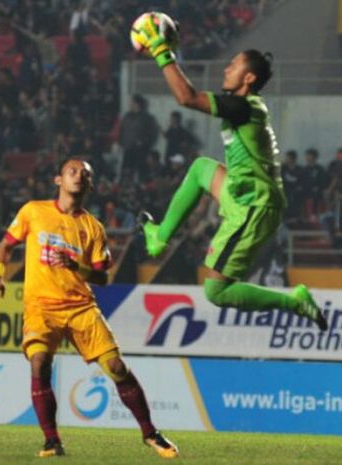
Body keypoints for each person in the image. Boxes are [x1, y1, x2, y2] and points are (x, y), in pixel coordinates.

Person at [135, 17, 327, 330]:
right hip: (243, 191)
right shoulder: (241, 106)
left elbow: (187, 97)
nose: (226, 68)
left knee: (216, 290)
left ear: (248, 77)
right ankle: (159, 237)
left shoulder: (245, 107)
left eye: (234, 65)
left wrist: (162, 53)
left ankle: (294, 301)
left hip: (255, 206)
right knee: (200, 169)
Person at [0, 159, 178, 459]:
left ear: (89, 185)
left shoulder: (93, 228)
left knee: (116, 367)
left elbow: (102, 277)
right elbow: (6, 245)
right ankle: (52, 441)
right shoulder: (33, 211)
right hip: (42, 306)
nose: (78, 176)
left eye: (84, 174)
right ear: (58, 180)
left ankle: (151, 434)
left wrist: (77, 267)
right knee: (39, 363)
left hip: (81, 307)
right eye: (72, 172)